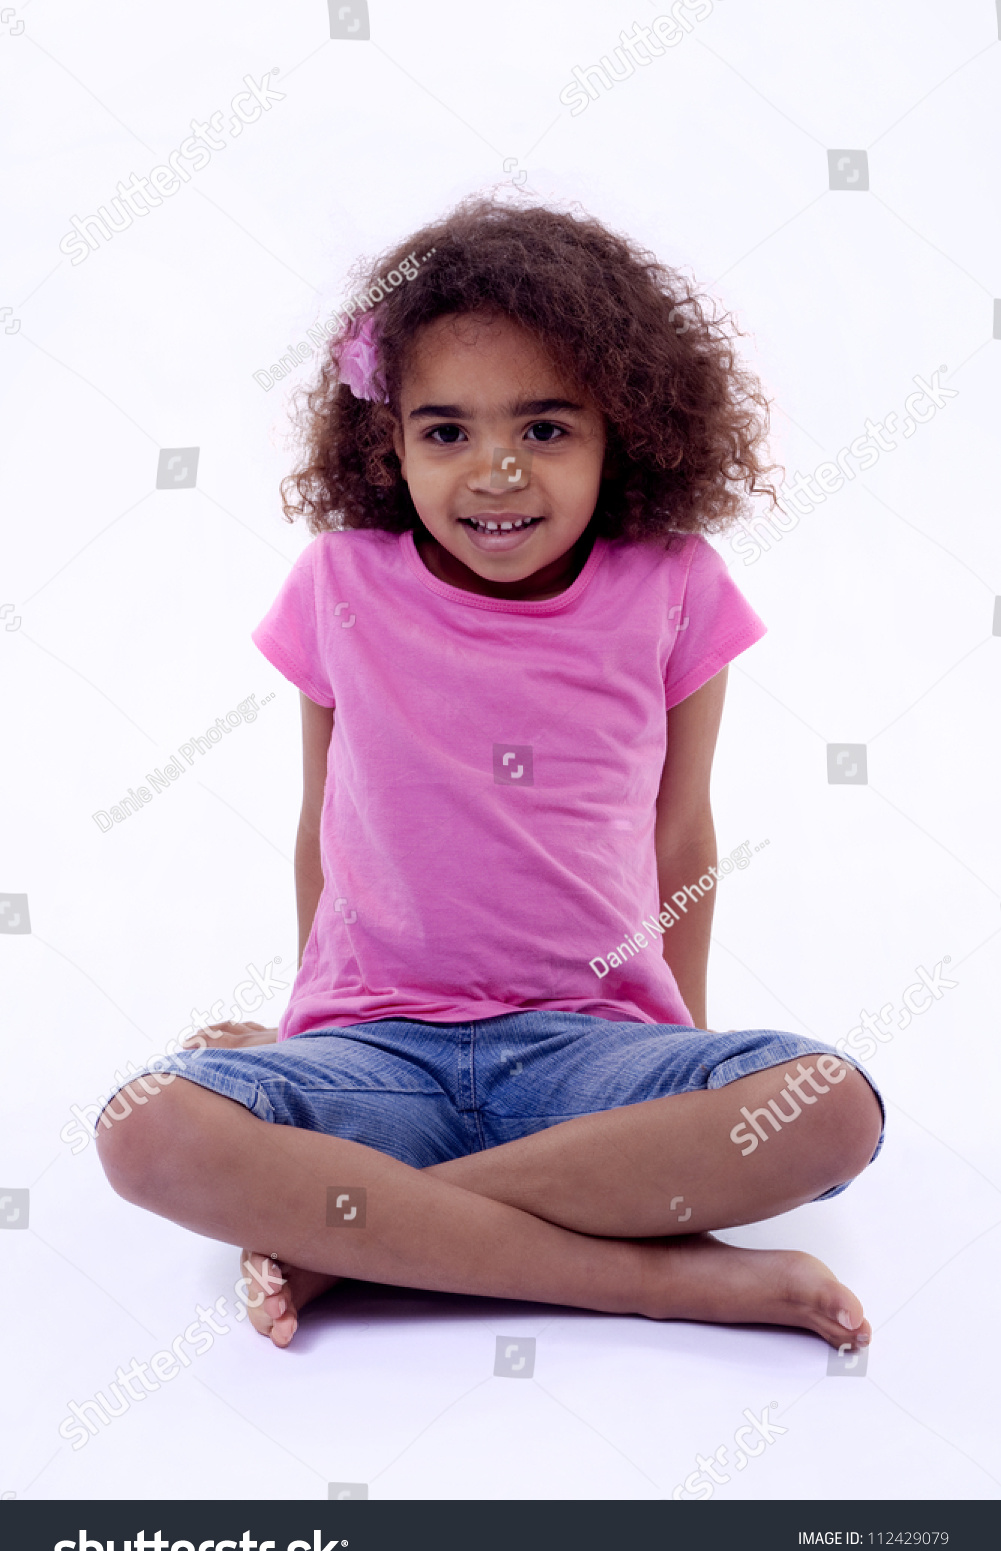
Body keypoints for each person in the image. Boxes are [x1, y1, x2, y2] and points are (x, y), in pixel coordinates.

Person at [97, 197, 884, 1352]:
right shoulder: (338, 584)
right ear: (390, 443)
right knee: (145, 1128)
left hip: (593, 1049)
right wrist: (301, 1038)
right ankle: (659, 1279)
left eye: (545, 429)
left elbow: (681, 837)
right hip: (377, 1051)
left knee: (828, 1108)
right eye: (445, 431)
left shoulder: (669, 584)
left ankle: (360, 1237)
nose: (495, 471)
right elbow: (324, 822)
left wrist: (681, 1079)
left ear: (625, 428)